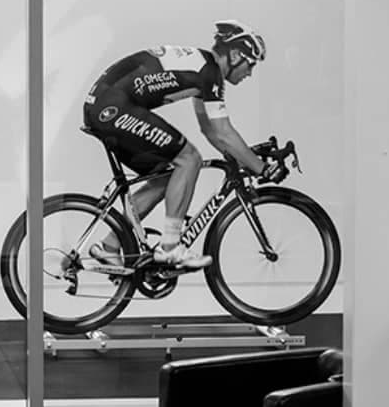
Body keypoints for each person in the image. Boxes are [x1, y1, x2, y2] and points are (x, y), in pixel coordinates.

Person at [81, 20, 276, 269]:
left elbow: (212, 131)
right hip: (112, 107)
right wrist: (262, 168)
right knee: (189, 159)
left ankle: (110, 245)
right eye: (250, 64)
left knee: (168, 177)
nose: (249, 73)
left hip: (105, 105)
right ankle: (171, 247)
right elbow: (223, 133)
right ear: (237, 54)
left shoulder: (203, 69)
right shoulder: (210, 73)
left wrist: (245, 157)